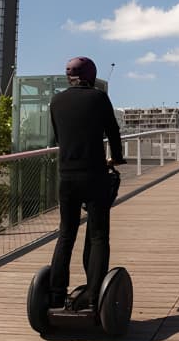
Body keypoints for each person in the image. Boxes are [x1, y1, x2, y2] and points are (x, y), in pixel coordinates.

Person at [49, 56, 125, 310]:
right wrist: (117, 157)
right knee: (98, 235)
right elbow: (113, 131)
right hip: (94, 175)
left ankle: (57, 293)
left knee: (66, 234)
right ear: (91, 76)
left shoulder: (56, 100)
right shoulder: (98, 98)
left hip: (67, 177)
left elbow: (59, 136)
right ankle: (94, 295)